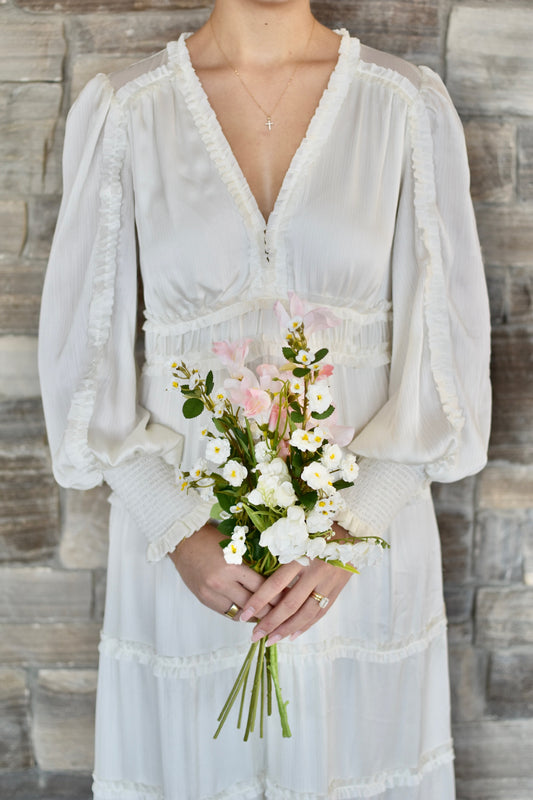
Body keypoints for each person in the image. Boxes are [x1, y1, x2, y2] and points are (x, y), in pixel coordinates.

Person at [38, 0, 491, 797]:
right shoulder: (126, 109)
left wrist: (350, 536)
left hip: (356, 561)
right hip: (189, 561)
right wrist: (176, 529)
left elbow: (442, 355)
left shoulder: (404, 104)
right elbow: (85, 354)